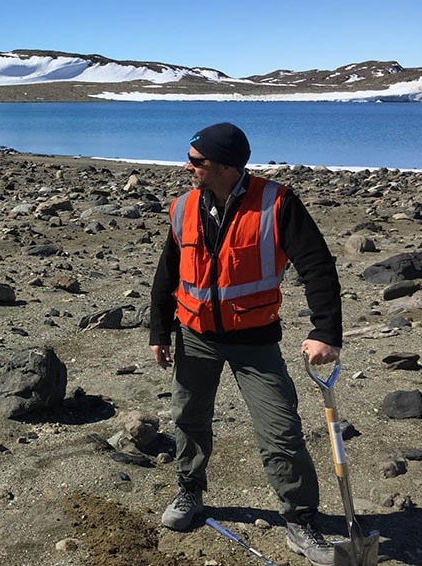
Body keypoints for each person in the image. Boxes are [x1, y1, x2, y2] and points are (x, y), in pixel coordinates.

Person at [148, 122, 342, 566]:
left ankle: (300, 521)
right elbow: (168, 273)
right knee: (189, 419)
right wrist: (160, 332)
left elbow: (317, 266)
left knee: (281, 431)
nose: (187, 167)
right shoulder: (182, 207)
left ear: (225, 166)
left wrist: (325, 332)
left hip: (255, 342)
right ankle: (189, 492)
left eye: (196, 161)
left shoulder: (276, 202)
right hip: (195, 338)